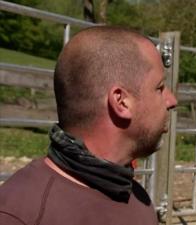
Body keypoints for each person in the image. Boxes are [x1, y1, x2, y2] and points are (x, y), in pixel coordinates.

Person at [0, 26, 177, 225]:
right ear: (121, 102)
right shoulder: (18, 215)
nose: (172, 100)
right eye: (159, 88)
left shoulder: (139, 202)